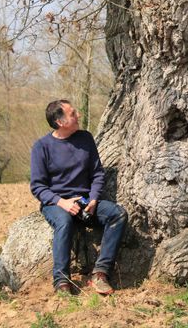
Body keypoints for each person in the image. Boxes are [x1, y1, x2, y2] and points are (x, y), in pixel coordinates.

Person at [30, 99, 127, 295]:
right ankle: (62, 282)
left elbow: (97, 173)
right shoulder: (42, 147)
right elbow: (38, 186)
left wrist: (93, 198)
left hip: (84, 201)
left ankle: (100, 274)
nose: (78, 116)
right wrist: (62, 203)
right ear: (60, 122)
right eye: (73, 114)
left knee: (117, 214)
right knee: (65, 222)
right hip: (55, 203)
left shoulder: (85, 138)